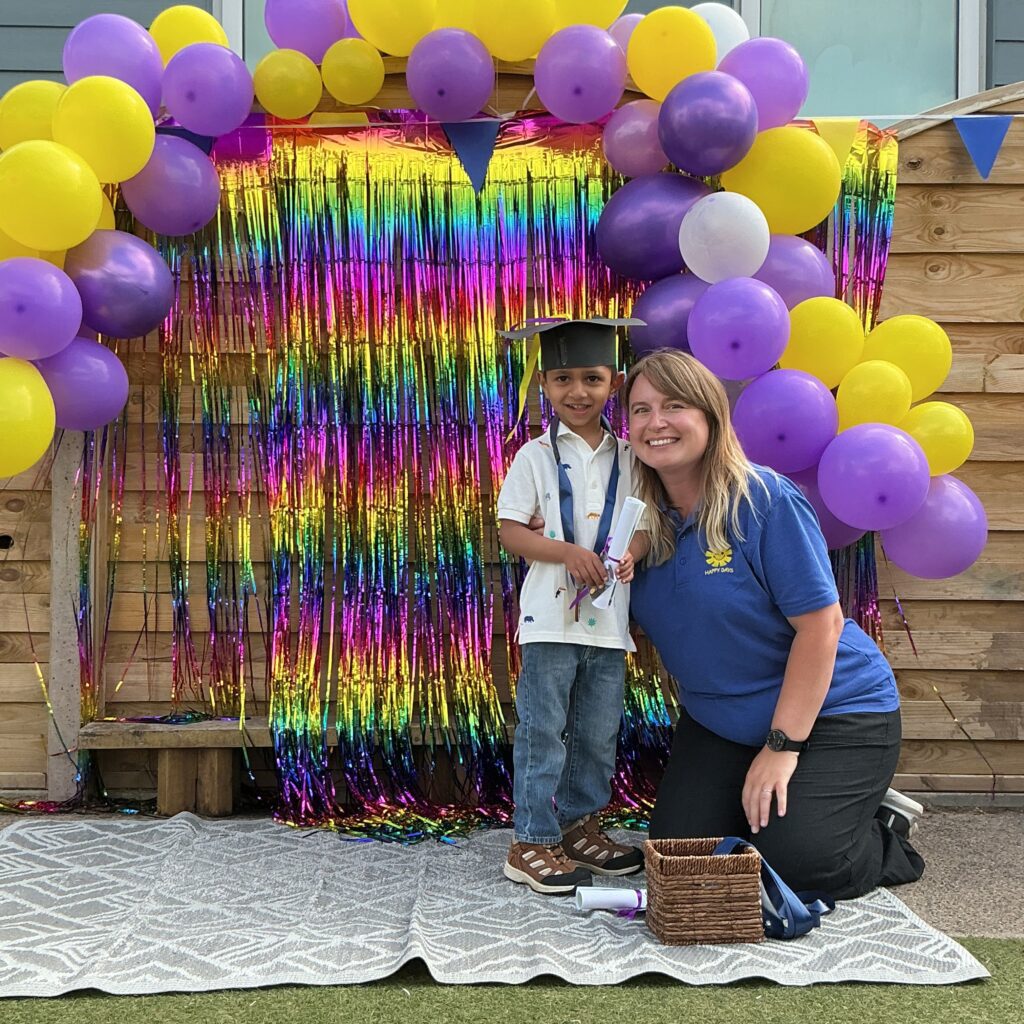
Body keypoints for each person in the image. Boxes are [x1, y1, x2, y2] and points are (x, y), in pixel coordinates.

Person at [623, 348, 924, 900]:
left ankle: (882, 834)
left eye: (674, 406)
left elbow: (821, 627)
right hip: (721, 723)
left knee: (797, 866)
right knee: (681, 864)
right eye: (640, 410)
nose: (655, 423)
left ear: (711, 417)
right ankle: (780, 806)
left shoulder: (763, 500)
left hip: (835, 713)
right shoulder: (634, 521)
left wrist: (782, 747)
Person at [496, 318, 648, 895]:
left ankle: (581, 827)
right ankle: (531, 840)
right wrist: (562, 550)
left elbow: (647, 524)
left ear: (614, 382)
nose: (577, 392)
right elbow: (512, 531)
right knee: (544, 729)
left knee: (596, 732)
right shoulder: (533, 457)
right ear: (544, 383)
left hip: (609, 622)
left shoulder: (632, 459)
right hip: (549, 619)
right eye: (562, 379)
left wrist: (632, 553)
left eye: (592, 378)